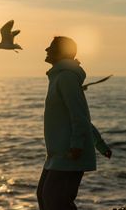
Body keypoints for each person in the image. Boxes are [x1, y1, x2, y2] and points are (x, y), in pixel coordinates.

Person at [37, 36, 112, 210]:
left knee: (55, 201)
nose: (46, 50)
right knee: (44, 195)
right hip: (57, 153)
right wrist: (99, 144)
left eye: (51, 47)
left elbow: (79, 116)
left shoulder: (66, 78)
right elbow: (79, 117)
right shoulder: (59, 77)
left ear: (61, 52)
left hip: (70, 152)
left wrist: (77, 145)